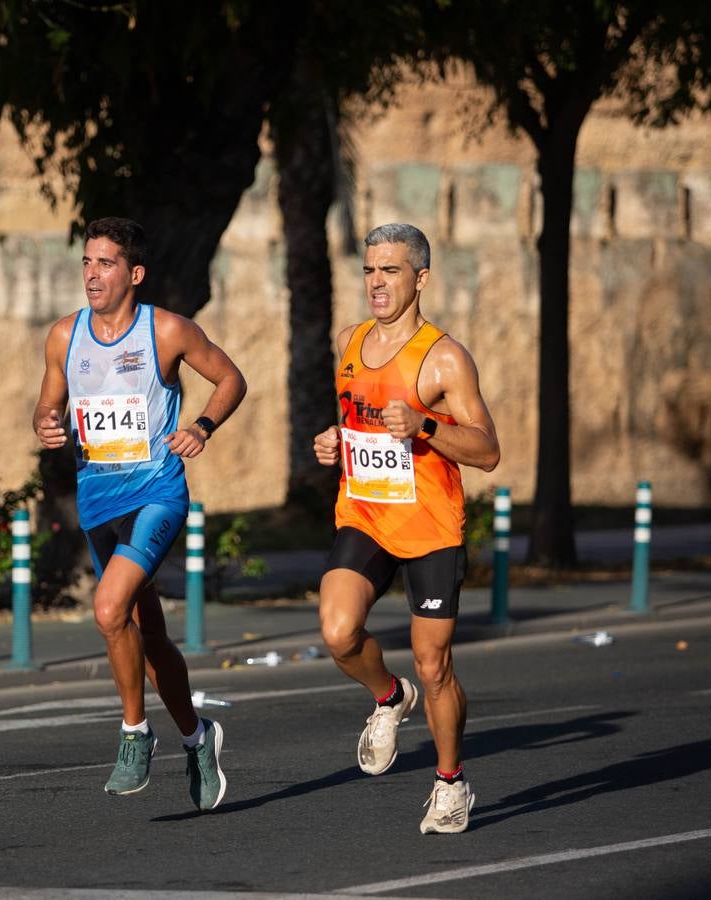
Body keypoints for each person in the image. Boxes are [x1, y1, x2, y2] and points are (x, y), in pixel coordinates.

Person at [33, 216, 247, 812]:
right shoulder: (62, 336)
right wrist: (47, 426)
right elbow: (47, 405)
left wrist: (202, 425)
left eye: (105, 264)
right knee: (148, 636)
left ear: (135, 273)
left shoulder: (168, 331)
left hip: (156, 493)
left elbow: (231, 378)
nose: (92, 275)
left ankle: (134, 734)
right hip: (98, 502)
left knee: (107, 609)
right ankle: (197, 736)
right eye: (86, 262)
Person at [312, 223, 500, 834]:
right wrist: (335, 441)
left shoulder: (444, 356)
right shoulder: (350, 340)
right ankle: (388, 699)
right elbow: (355, 419)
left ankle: (450, 782)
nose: (376, 283)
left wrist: (423, 425)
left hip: (429, 526)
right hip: (365, 513)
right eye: (369, 270)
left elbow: (487, 449)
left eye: (390, 271)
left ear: (420, 278)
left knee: (434, 663)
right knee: (339, 633)